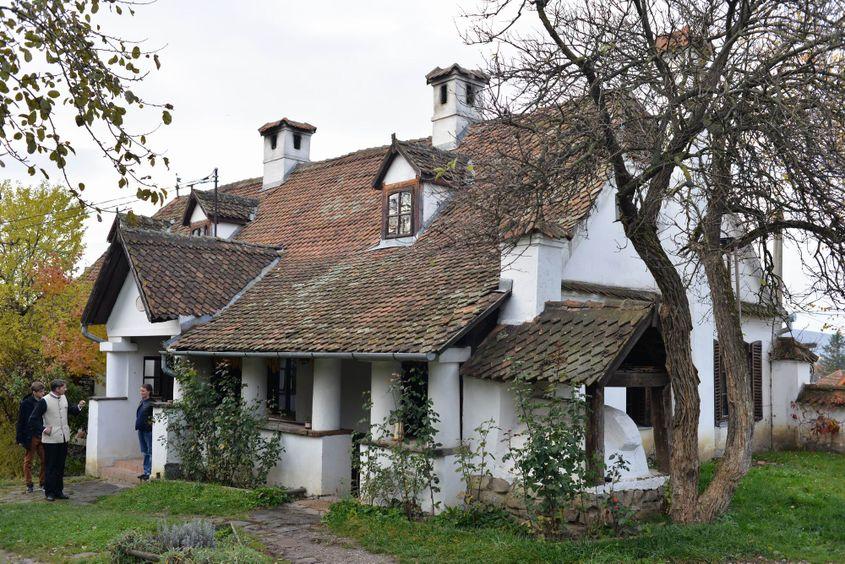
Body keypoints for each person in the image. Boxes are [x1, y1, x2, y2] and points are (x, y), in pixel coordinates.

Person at [28, 379, 85, 501]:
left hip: (64, 438)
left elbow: (70, 410)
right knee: (50, 466)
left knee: (60, 466)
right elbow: (32, 419)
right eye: (64, 387)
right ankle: (49, 492)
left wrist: (79, 407)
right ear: (57, 389)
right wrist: (43, 429)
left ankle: (59, 491)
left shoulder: (63, 397)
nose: (65, 389)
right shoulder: (44, 401)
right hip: (51, 439)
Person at [16, 381, 46, 493]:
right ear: (34, 392)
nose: (43, 393)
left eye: (43, 391)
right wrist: (19, 438)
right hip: (30, 436)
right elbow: (21, 421)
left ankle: (42, 483)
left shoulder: (45, 401)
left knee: (45, 459)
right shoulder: (26, 403)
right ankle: (29, 484)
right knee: (28, 461)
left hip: (43, 434)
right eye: (41, 391)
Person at [136, 384, 154, 481]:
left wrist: (149, 426)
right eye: (141, 391)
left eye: (143, 391)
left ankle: (149, 472)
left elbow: (154, 418)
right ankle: (146, 471)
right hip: (141, 429)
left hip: (148, 431)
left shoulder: (152, 403)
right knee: (145, 451)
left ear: (149, 391)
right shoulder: (142, 401)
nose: (141, 393)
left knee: (150, 451)